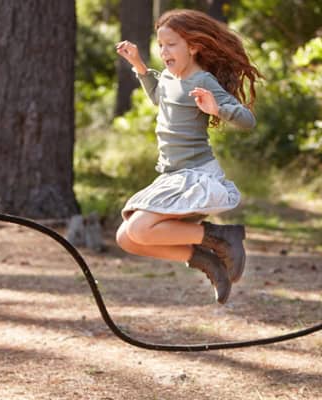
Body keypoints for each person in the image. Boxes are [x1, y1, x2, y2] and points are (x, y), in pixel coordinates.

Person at [114, 9, 262, 304]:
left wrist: (216, 109)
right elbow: (160, 97)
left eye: (171, 44)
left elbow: (247, 120)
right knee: (126, 238)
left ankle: (222, 237)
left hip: (195, 175)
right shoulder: (169, 76)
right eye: (160, 45)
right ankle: (207, 261)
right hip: (172, 175)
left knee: (139, 228)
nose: (163, 51)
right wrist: (141, 68)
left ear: (193, 46)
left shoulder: (203, 80)